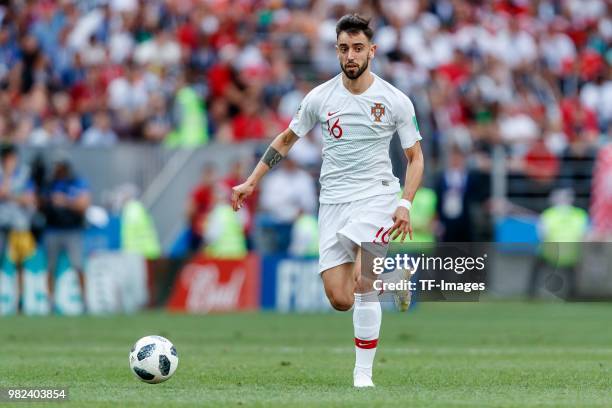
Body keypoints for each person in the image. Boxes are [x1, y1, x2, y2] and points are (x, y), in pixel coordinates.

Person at [231, 14, 424, 388]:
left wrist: (405, 203)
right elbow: (287, 138)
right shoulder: (320, 97)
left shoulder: (395, 100)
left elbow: (416, 158)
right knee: (340, 298)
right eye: (343, 49)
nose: (349, 56)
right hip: (333, 201)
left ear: (372, 51)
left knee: (364, 278)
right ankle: (395, 275)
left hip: (377, 194)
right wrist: (252, 181)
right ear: (336, 51)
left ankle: (362, 375)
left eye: (356, 48)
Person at [42, 158, 91, 308]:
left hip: (73, 231)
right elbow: (40, 204)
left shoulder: (77, 182)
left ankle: (85, 301)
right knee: (51, 268)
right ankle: (50, 302)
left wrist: (66, 201)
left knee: (78, 266)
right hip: (52, 230)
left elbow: (84, 204)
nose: (58, 170)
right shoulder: (49, 184)